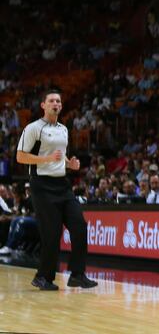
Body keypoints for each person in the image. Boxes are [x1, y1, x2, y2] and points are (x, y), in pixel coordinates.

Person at [15, 90, 97, 291]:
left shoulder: (63, 129)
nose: (56, 103)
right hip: (41, 185)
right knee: (51, 233)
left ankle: (77, 274)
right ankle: (43, 277)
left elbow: (60, 157)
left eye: (58, 101)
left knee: (79, 226)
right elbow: (20, 156)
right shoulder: (34, 128)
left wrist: (71, 164)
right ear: (43, 105)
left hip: (62, 184)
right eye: (51, 100)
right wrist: (45, 159)